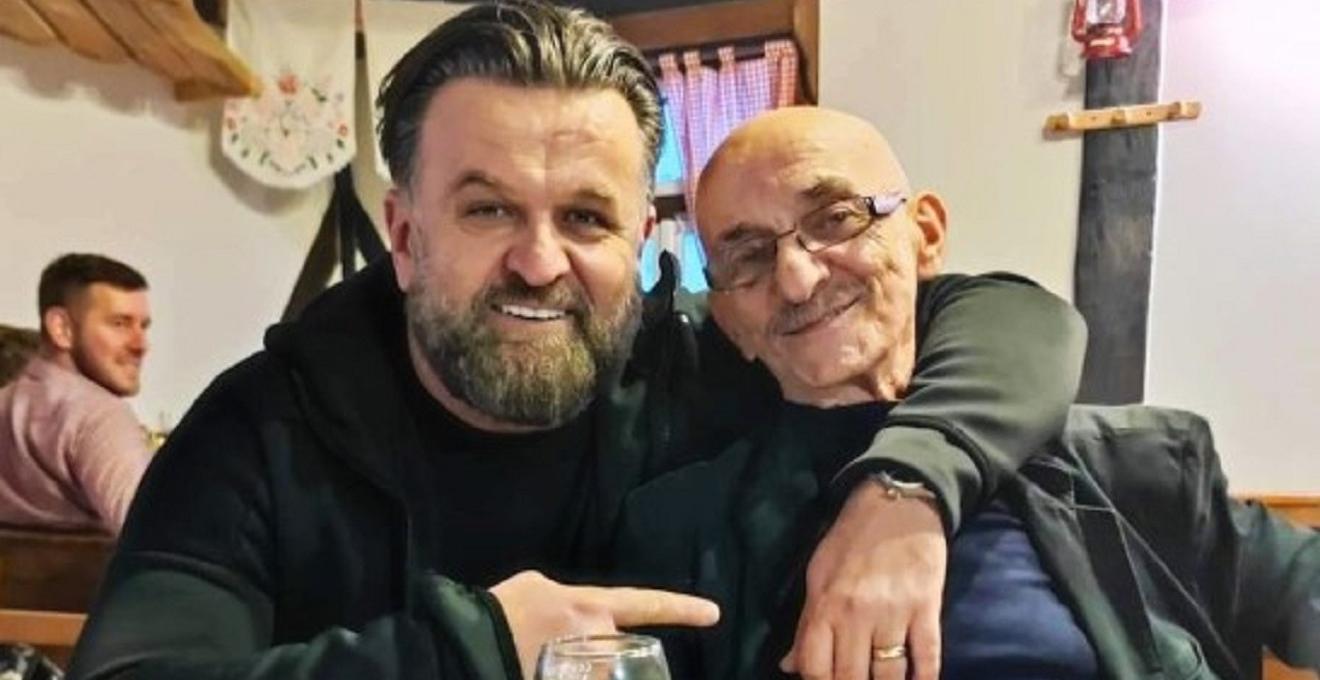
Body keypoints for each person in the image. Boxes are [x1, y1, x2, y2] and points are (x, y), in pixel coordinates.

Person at [68, 3, 1086, 679]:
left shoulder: (699, 363)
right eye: (487, 210)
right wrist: (476, 648)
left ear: (642, 238)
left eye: (587, 218)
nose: (539, 261)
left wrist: (905, 490)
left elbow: (1008, 316)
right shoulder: (263, 428)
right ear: (406, 238)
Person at [612, 106, 1320, 680]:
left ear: (925, 236)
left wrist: (905, 493)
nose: (797, 279)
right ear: (727, 315)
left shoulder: (1142, 467)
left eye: (834, 218)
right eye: (747, 255)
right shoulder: (677, 532)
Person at [0, 253, 152, 535]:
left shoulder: (6, 404)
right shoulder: (98, 417)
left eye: (143, 326)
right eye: (119, 324)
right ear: (61, 328)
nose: (141, 344)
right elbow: (154, 535)